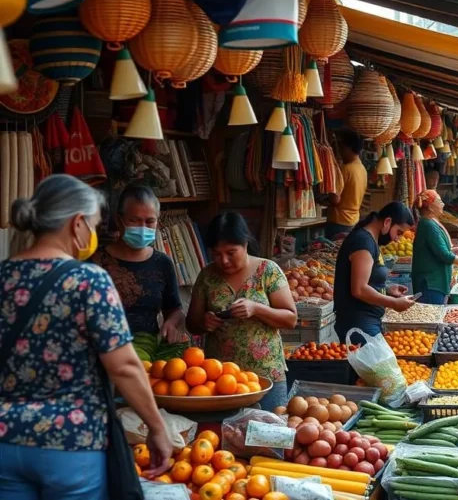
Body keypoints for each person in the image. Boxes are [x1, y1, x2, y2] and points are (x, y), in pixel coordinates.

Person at [1, 174, 174, 498]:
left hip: (5, 442)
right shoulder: (88, 280)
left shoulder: (3, 276)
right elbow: (123, 366)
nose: (93, 234)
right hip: (71, 443)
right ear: (77, 223)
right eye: (93, 225)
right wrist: (156, 427)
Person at [186, 212, 297, 411]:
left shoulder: (267, 271)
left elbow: (290, 319)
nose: (224, 260)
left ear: (245, 245)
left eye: (231, 252)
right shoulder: (207, 276)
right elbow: (191, 323)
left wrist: (257, 309)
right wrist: (205, 322)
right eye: (217, 254)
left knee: (269, 435)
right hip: (219, 380)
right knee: (223, 438)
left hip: (266, 378)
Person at [91, 182, 185, 341]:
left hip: (148, 353)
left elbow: (175, 310)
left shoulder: (162, 263)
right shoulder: (94, 262)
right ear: (118, 219)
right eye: (134, 220)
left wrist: (171, 323)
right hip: (101, 354)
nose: (143, 227)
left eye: (150, 221)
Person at [333, 202, 417, 342]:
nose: (397, 239)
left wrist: (386, 289)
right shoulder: (363, 242)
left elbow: (366, 280)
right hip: (358, 322)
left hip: (367, 321)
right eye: (399, 232)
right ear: (387, 222)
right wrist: (394, 303)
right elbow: (359, 289)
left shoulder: (371, 240)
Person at [412, 190, 458, 304]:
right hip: (431, 284)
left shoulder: (430, 222)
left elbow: (435, 250)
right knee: (433, 317)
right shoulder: (428, 225)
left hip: (434, 282)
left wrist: (450, 250)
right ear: (430, 207)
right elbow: (443, 255)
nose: (443, 204)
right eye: (439, 201)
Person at [325, 129, 368, 239]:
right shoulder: (362, 169)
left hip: (338, 221)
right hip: (353, 220)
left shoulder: (345, 169)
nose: (340, 151)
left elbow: (335, 199)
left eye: (341, 147)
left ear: (348, 147)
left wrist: (326, 197)